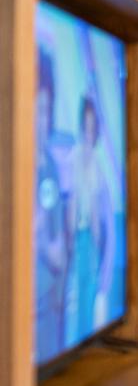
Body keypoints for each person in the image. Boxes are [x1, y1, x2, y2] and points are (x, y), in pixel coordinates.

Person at [68, 92, 116, 335]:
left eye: (92, 128)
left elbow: (99, 217)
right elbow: (71, 207)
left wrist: (99, 251)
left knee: (90, 302)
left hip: (90, 244)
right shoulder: (73, 159)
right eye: (85, 127)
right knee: (75, 306)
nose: (88, 133)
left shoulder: (97, 165)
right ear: (80, 126)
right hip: (75, 241)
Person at [32, 52, 69, 358]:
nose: (39, 121)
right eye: (33, 109)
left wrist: (40, 237)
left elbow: (58, 257)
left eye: (44, 109)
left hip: (42, 317)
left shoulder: (50, 170)